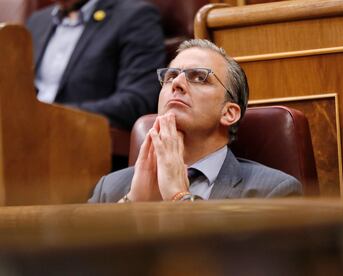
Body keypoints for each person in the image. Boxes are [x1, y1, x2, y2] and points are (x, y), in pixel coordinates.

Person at [88, 39, 302, 203]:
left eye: (199, 77)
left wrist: (179, 197)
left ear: (229, 113)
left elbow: (243, 261)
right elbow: (82, 260)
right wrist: (133, 202)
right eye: (170, 76)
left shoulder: (273, 192)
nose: (177, 83)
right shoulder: (110, 188)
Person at [27, 0, 165, 130]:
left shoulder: (135, 16)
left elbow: (136, 101)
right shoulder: (37, 20)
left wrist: (54, 115)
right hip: (21, 130)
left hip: (80, 139)